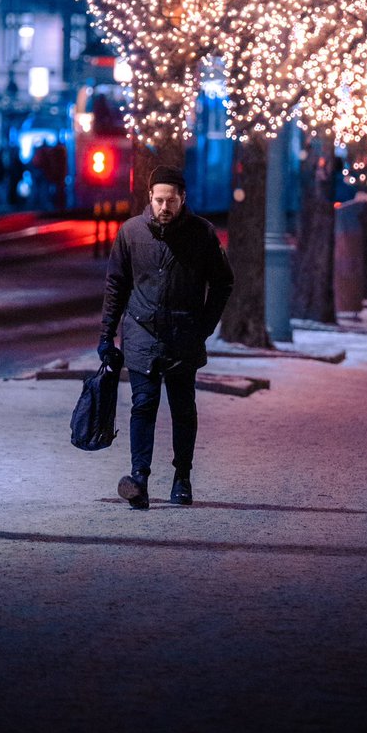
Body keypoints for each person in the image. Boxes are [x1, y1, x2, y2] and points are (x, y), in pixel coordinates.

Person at [96, 165, 234, 510]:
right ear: (150, 198)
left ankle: (182, 477)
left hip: (183, 335)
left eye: (170, 201)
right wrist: (106, 335)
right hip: (141, 333)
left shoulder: (202, 234)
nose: (164, 207)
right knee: (143, 405)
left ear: (182, 199)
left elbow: (222, 282)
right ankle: (138, 477)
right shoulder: (131, 233)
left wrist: (203, 326)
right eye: (158, 200)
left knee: (182, 408)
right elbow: (116, 285)